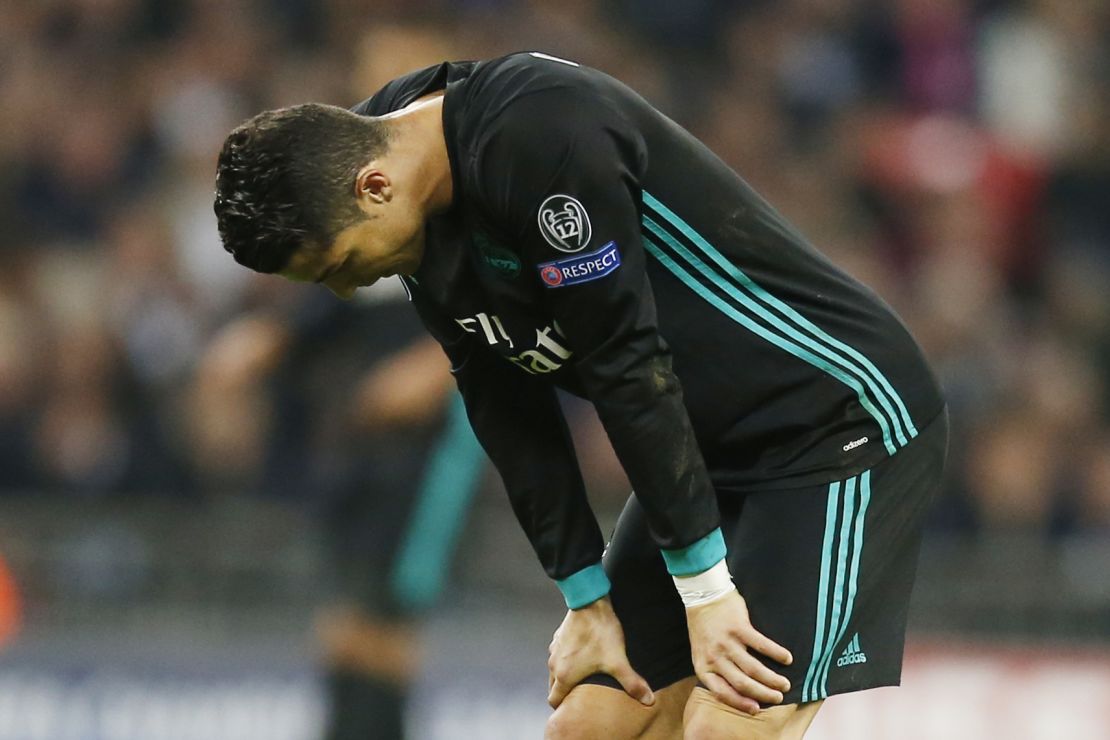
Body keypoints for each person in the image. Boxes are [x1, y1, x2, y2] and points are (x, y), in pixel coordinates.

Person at [213, 51, 947, 739]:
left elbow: (625, 361)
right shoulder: (382, 160)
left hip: (834, 420)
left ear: (374, 187)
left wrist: (705, 590)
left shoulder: (536, 135)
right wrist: (583, 594)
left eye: (341, 263)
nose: (348, 286)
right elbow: (497, 389)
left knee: (728, 723)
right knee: (589, 725)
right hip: (711, 448)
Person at [193, 287, 485, 740]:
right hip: (366, 447)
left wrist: (443, 360)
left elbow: (520, 289)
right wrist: (271, 336)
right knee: (345, 631)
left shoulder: (476, 225)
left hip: (436, 447)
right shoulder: (379, 238)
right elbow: (340, 300)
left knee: (382, 625)